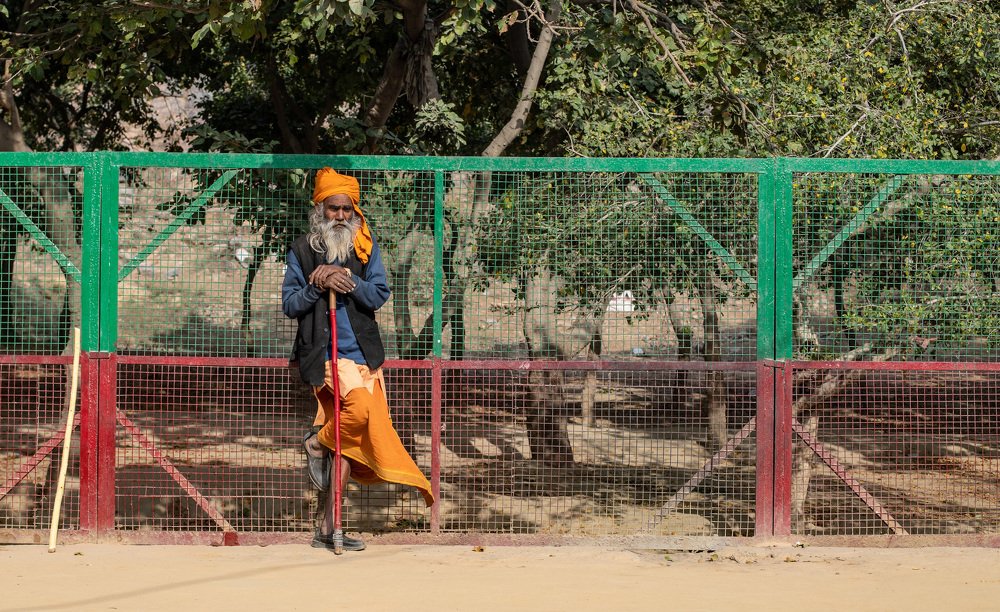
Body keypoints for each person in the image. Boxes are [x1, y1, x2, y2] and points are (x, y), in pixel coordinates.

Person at [282, 167, 434, 552]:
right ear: (320, 209)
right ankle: (317, 444)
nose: (341, 216)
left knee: (347, 445)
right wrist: (318, 284)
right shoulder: (301, 250)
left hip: (364, 356)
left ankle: (329, 527)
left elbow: (379, 294)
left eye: (347, 209)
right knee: (361, 413)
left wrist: (346, 279)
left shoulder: (364, 248)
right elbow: (290, 305)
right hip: (325, 359)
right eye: (334, 209)